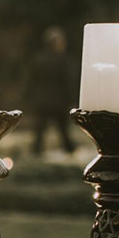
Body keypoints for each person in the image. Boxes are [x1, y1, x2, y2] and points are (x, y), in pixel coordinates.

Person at [25, 27, 77, 156]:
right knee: (64, 132)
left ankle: (36, 155)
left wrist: (29, 98)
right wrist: (71, 100)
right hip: (59, 102)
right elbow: (68, 82)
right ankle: (71, 154)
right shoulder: (63, 60)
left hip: (42, 101)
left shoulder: (38, 60)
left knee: (39, 134)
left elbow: (30, 82)